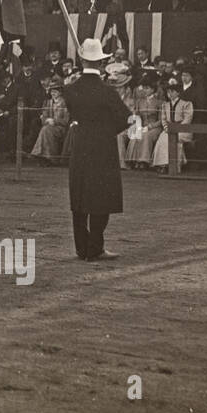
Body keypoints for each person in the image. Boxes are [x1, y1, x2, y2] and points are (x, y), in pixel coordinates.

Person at [62, 39, 131, 261]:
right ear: (101, 62)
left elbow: (74, 114)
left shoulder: (70, 90)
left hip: (81, 145)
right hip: (103, 147)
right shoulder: (107, 92)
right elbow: (125, 118)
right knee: (101, 198)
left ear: (82, 60)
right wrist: (107, 130)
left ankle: (82, 248)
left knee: (80, 198)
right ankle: (95, 247)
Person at [151, 79, 193, 172]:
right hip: (169, 129)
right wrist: (166, 128)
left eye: (172, 91)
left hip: (182, 129)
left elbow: (188, 119)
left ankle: (172, 165)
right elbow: (164, 119)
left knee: (173, 139)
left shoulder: (186, 104)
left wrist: (177, 129)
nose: (169, 94)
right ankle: (162, 165)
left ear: (178, 92)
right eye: (168, 92)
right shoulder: (165, 105)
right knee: (162, 139)